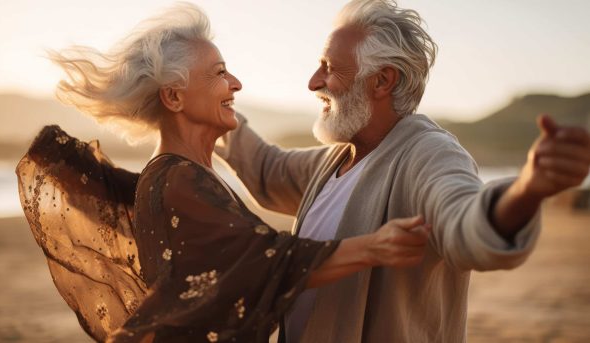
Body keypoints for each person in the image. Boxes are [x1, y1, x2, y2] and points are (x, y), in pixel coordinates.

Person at [16, 3, 433, 343]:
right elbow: (266, 261)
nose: (235, 83)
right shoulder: (178, 179)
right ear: (175, 97)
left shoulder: (178, 175)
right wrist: (376, 247)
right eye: (219, 73)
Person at [215, 0, 590, 342]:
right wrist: (216, 106)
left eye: (328, 67)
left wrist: (528, 189)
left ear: (382, 80)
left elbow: (466, 225)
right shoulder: (336, 159)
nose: (313, 81)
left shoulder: (428, 154)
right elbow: (267, 168)